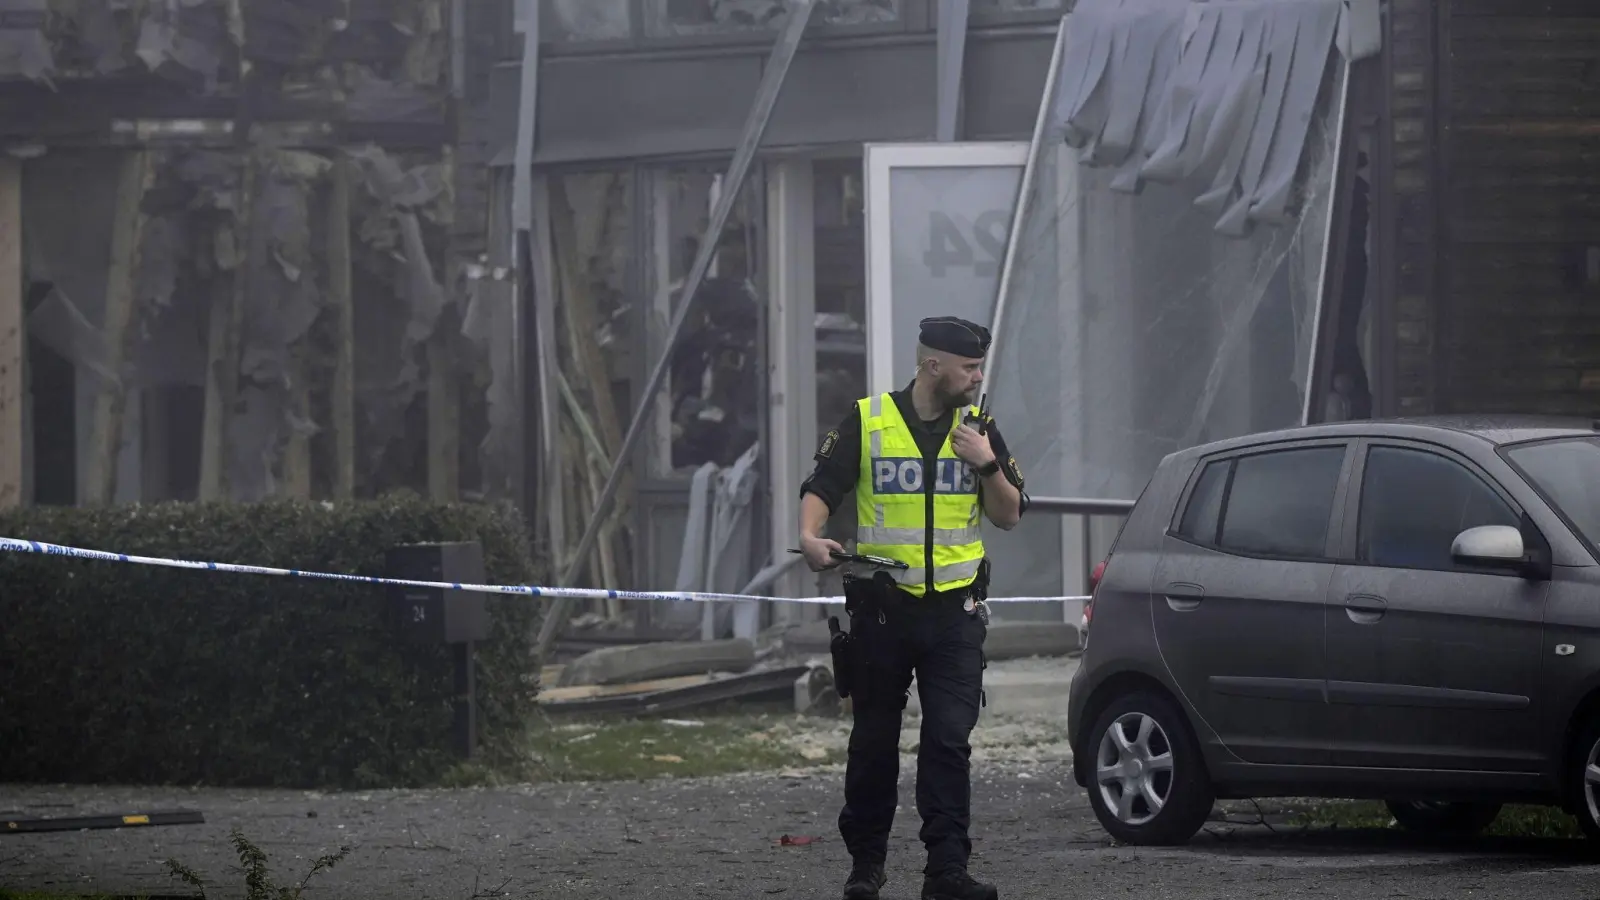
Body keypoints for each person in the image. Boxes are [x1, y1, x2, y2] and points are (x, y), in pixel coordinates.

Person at [798, 316, 1028, 900]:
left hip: (956, 615)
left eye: (979, 367)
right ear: (934, 366)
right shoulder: (870, 419)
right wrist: (809, 535)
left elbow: (1009, 514)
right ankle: (866, 867)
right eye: (969, 368)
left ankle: (946, 872)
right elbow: (823, 484)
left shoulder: (979, 429)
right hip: (883, 612)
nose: (977, 378)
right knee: (873, 741)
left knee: (949, 741)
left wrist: (988, 464)